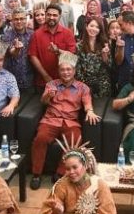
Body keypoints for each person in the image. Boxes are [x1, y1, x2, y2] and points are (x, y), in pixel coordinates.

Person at [29, 52, 100, 189]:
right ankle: (36, 174)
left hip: (70, 121)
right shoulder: (51, 84)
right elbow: (43, 102)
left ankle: (60, 173)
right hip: (51, 120)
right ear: (59, 71)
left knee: (76, 140)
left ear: (74, 71)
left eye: (69, 69)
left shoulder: (83, 88)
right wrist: (48, 96)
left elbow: (87, 102)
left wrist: (90, 111)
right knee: (40, 138)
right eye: (63, 70)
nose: (66, 72)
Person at [29, 3, 77, 85]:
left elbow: (72, 56)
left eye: (55, 15)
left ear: (60, 16)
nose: (51, 17)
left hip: (64, 81)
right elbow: (33, 56)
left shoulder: (68, 33)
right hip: (42, 81)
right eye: (49, 15)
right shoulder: (36, 34)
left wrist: (58, 51)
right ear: (45, 15)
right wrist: (46, 76)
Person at [75, 15, 113, 98]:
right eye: (91, 26)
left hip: (103, 85)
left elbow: (110, 67)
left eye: (97, 27)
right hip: (85, 86)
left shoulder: (105, 44)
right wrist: (85, 84)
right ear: (86, 26)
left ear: (100, 30)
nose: (94, 29)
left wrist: (104, 55)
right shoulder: (79, 46)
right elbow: (77, 70)